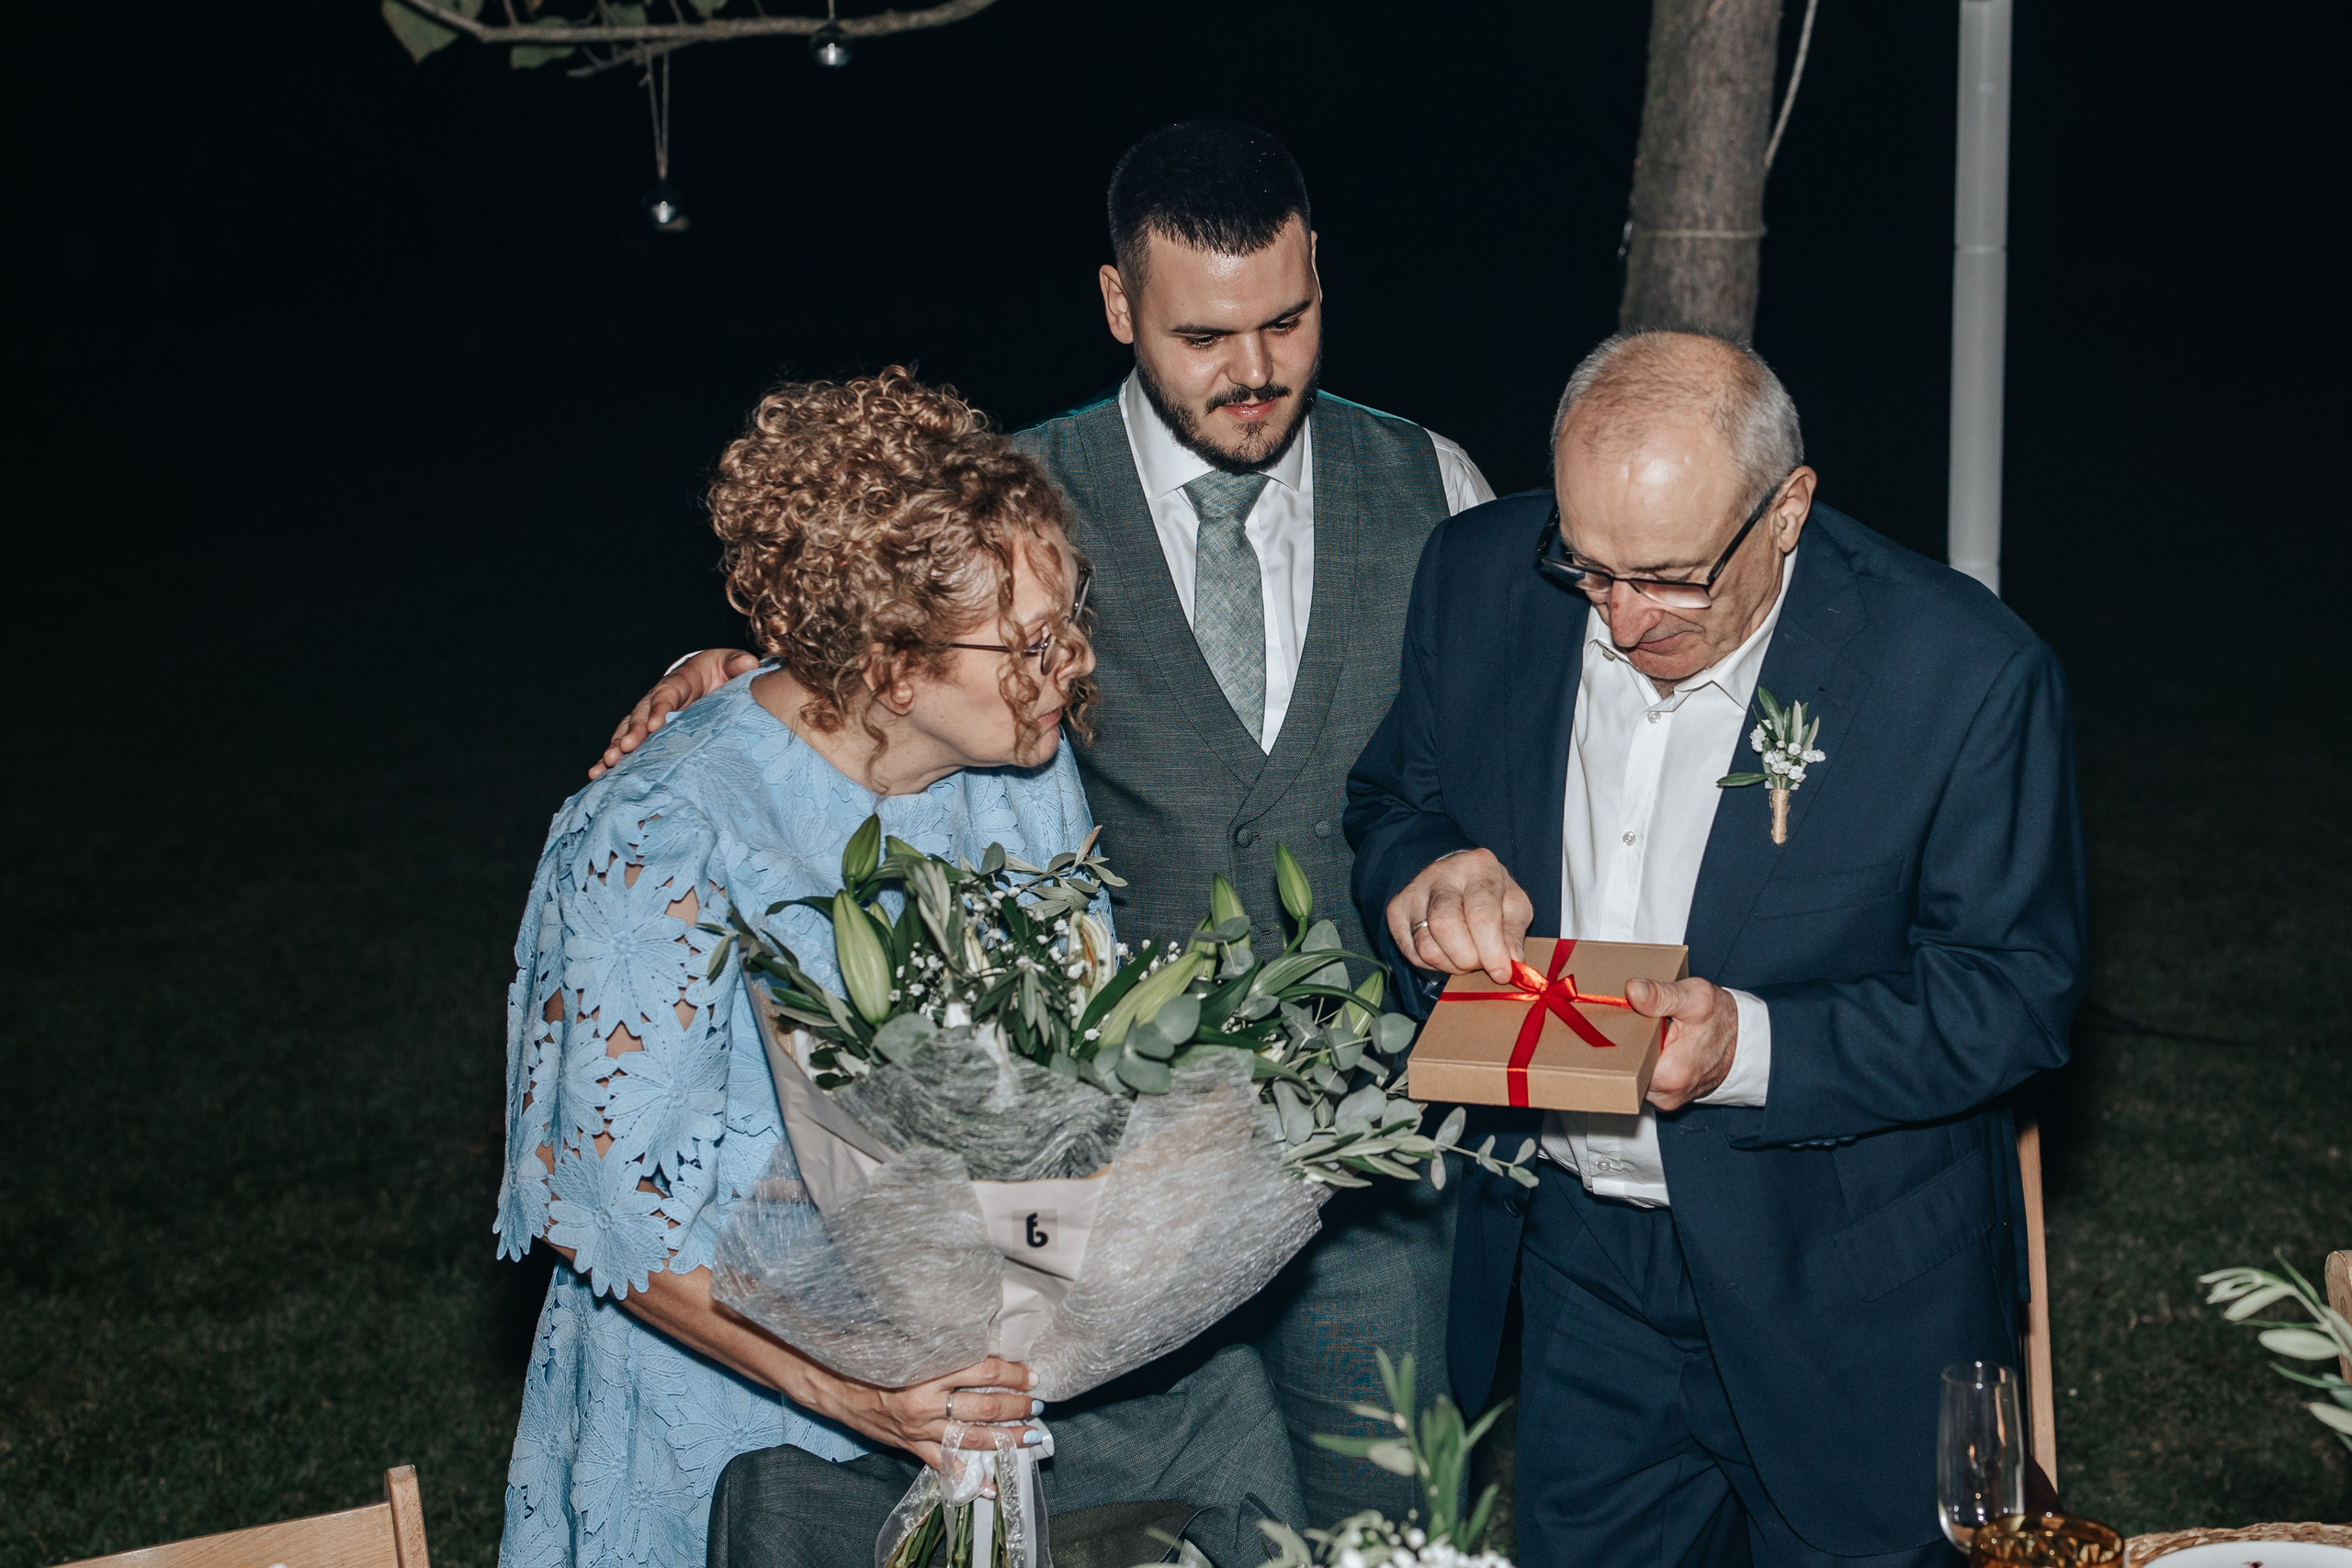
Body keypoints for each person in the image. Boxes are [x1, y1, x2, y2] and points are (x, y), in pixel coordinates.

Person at [594, 122, 1494, 1526]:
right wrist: (713, 676)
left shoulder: (1436, 490)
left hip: (1368, 1184)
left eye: (1290, 319)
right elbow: (859, 691)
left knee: (1384, 1525)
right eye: (1205, 335)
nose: (1255, 372)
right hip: (1082, 1219)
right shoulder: (1008, 506)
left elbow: (1487, 774)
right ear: (1119, 306)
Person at [496, 367, 1302, 1568]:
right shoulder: (661, 829)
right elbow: (591, 1205)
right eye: (1026, 643)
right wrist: (858, 1400)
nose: (1068, 663)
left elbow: (1061, 1094)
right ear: (889, 665)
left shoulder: (1020, 776)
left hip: (953, 1396)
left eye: (1069, 618)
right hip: (723, 1404)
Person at [1346, 331, 2086, 1568]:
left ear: (1787, 508)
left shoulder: (1961, 675)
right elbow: (1393, 800)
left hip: (1847, 1288)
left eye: (1675, 578)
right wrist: (1424, 877)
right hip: (1580, 1270)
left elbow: (2014, 996)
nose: (1626, 621)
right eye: (1591, 569)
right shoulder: (1479, 578)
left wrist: (1750, 1043)